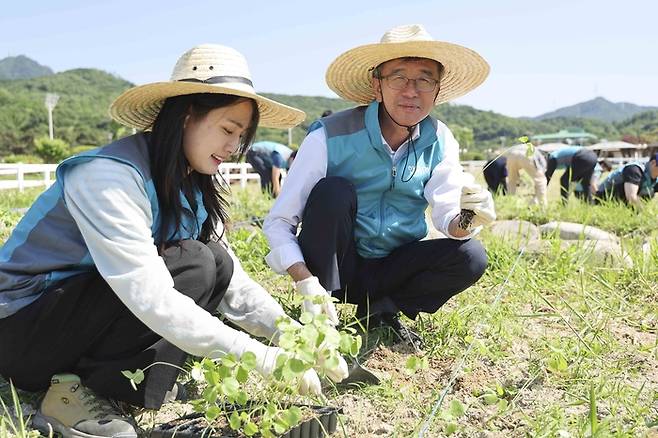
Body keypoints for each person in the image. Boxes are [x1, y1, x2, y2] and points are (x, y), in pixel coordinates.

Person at [0, 44, 347, 438]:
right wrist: (262, 358)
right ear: (186, 117)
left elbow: (234, 285)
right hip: (21, 329)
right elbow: (149, 295)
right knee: (195, 262)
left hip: (79, 313)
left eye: (242, 136)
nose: (235, 147)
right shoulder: (108, 176)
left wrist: (293, 335)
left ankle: (110, 382)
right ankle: (72, 393)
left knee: (214, 263)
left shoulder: (196, 182)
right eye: (228, 130)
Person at [263, 24, 495, 346]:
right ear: (377, 85)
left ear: (438, 89)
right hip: (336, 264)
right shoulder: (329, 135)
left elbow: (447, 211)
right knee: (335, 191)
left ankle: (381, 310)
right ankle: (322, 308)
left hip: (395, 265)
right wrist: (305, 282)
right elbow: (279, 222)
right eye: (398, 77)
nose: (411, 91)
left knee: (471, 255)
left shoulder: (440, 139)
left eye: (425, 79)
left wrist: (467, 218)